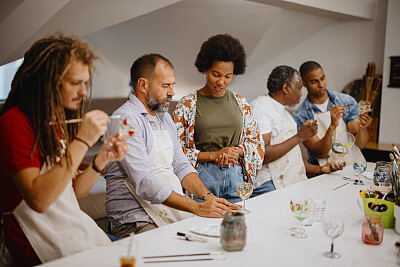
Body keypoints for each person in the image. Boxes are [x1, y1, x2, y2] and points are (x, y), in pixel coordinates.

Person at [0, 33, 128, 266]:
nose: (83, 92)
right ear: (47, 81)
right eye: (75, 83)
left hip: (75, 235)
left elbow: (71, 193)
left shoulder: (52, 123)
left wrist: (102, 159)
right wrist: (81, 141)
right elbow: (39, 200)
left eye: (85, 83)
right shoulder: (14, 123)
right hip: (40, 248)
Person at [103, 53, 237, 239]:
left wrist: (207, 197)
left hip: (168, 210)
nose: (172, 92)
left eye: (172, 85)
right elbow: (144, 182)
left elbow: (181, 164)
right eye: (166, 86)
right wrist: (197, 207)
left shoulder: (164, 116)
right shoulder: (126, 120)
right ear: (143, 85)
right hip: (136, 219)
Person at [174, 33, 267, 202]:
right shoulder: (187, 105)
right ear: (204, 69)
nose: (221, 82)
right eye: (216, 75)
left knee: (237, 226)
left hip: (236, 179)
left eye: (228, 76)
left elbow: (257, 143)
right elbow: (176, 151)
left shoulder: (241, 103)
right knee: (198, 228)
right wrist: (214, 155)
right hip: (201, 180)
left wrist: (235, 152)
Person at [251, 66, 342, 189]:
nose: (301, 94)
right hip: (268, 181)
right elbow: (261, 155)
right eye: (299, 88)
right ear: (286, 88)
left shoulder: (286, 115)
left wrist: (321, 169)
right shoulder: (262, 106)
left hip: (290, 180)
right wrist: (300, 137)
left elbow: (293, 160)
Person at [292, 61, 372, 166]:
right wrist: (332, 126)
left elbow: (360, 145)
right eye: (314, 81)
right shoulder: (301, 115)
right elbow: (320, 153)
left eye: (322, 78)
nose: (321, 85)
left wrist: (363, 127)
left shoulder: (346, 101)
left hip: (354, 165)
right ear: (304, 84)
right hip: (323, 169)